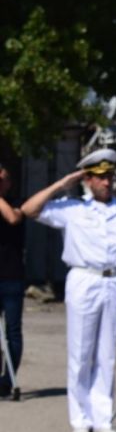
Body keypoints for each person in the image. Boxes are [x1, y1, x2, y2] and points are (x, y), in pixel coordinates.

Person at [21, 148, 116, 432]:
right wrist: (61, 184)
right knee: (81, 352)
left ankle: (103, 418)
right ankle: (80, 418)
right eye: (99, 178)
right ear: (88, 180)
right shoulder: (72, 209)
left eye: (109, 176)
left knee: (107, 353)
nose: (106, 183)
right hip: (84, 279)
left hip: (114, 281)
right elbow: (28, 210)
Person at [0, 161, 25, 399]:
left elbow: (13, 219)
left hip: (11, 277)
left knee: (13, 332)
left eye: (2, 179)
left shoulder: (17, 203)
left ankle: (8, 380)